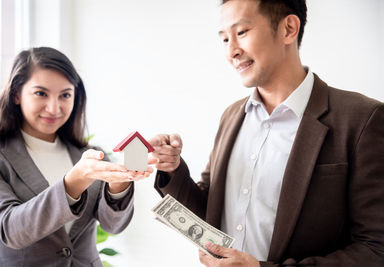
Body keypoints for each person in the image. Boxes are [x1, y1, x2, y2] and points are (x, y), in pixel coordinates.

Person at [149, 0, 384, 266]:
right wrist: (173, 169)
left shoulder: (362, 119)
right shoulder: (232, 116)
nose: (231, 52)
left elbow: (375, 249)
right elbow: (210, 209)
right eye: (225, 39)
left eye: (241, 33)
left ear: (288, 29)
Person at [0, 47, 154, 266]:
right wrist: (74, 182)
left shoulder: (90, 154)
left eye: (65, 95)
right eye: (41, 93)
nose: (54, 108)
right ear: (16, 94)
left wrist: (118, 185)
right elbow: (11, 229)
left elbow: (113, 226)